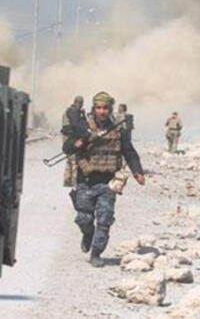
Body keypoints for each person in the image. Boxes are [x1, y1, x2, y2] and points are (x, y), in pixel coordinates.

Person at [63, 91, 145, 267]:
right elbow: (67, 147)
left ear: (110, 109)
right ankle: (87, 234)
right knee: (83, 219)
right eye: (99, 108)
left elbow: (129, 152)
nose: (102, 111)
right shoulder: (83, 127)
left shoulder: (118, 130)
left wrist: (137, 171)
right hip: (86, 181)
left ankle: (96, 253)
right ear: (94, 108)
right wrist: (77, 143)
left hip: (108, 183)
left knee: (104, 220)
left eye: (105, 108)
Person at [60, 95, 87, 187]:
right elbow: (77, 125)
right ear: (76, 102)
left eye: (81, 103)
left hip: (67, 137)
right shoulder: (73, 111)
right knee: (74, 159)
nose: (81, 105)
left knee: (69, 158)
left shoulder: (70, 110)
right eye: (80, 103)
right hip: (71, 137)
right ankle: (75, 181)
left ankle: (68, 180)